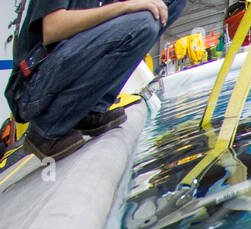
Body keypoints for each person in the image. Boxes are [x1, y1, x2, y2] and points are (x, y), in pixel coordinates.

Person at [5, 0, 185, 160]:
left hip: (62, 69)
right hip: (33, 86)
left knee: (168, 3)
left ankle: (89, 110)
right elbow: (52, 28)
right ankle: (47, 129)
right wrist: (123, 7)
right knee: (144, 22)